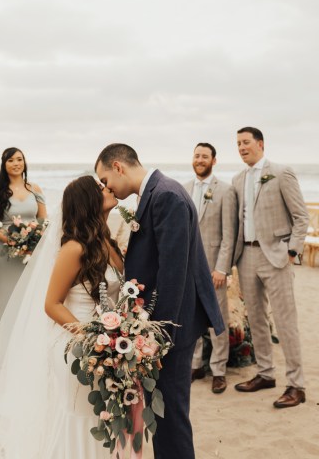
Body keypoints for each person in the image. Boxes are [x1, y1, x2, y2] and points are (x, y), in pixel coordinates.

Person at [95, 143, 224, 459]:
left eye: (104, 179)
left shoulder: (165, 195)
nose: (105, 187)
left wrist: (158, 341)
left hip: (172, 329)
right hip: (168, 326)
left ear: (118, 166)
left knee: (171, 417)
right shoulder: (155, 192)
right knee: (164, 415)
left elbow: (173, 275)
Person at [0, 176, 122, 458]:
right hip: (77, 344)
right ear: (88, 201)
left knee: (102, 414)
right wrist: (89, 337)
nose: (107, 188)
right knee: (82, 413)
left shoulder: (108, 242)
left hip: (107, 343)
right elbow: (51, 304)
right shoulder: (74, 248)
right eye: (99, 188)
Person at [232, 127, 308, 408]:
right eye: (238, 143)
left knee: (286, 322)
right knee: (257, 319)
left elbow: (301, 216)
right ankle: (265, 374)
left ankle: (296, 385)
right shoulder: (237, 179)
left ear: (260, 144)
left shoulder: (281, 172)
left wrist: (291, 251)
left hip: (276, 255)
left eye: (246, 142)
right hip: (246, 257)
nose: (241, 147)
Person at [184, 142, 237, 394]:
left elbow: (229, 234)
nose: (200, 159)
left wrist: (222, 269)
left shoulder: (225, 191)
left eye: (205, 156)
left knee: (218, 321)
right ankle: (196, 365)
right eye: (197, 155)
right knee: (191, 317)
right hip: (188, 268)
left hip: (213, 269)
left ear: (214, 161)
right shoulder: (183, 189)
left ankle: (218, 370)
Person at [0, 147, 47, 358]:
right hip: (5, 252)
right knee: (2, 296)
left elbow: (43, 220)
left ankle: (26, 347)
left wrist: (32, 240)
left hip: (30, 252)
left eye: (19, 159)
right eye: (11, 160)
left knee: (29, 296)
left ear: (24, 162)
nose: (16, 163)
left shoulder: (34, 188)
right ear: (4, 164)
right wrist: (9, 239)